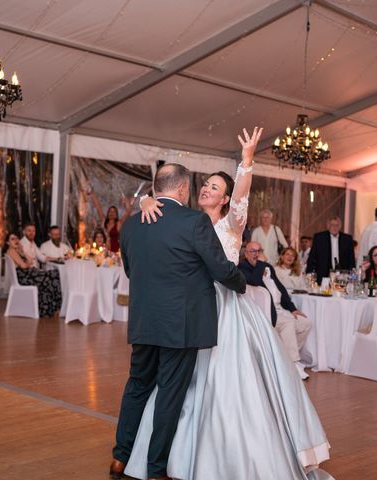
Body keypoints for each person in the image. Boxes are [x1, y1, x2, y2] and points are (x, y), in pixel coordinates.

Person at [128, 127, 331, 480]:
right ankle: (168, 455)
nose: (206, 188)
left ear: (225, 200)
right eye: (205, 184)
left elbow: (242, 197)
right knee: (178, 385)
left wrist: (246, 162)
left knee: (221, 383)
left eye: (215, 188)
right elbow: (162, 205)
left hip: (223, 310)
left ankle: (218, 458)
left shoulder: (232, 224)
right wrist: (145, 199)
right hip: (186, 312)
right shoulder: (186, 219)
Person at [110, 163, 246, 480]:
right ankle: (156, 470)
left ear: (158, 187)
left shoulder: (130, 225)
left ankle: (120, 457)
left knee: (137, 387)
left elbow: (131, 271)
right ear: (183, 189)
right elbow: (220, 269)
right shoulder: (195, 221)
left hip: (144, 321)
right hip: (180, 324)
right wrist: (242, 284)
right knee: (170, 395)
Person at [240, 241, 312, 380]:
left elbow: (280, 288)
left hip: (280, 309)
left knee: (305, 323)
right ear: (246, 253)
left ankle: (286, 360)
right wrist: (260, 263)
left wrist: (293, 309)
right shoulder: (242, 267)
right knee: (288, 324)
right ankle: (294, 363)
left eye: (259, 251)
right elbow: (254, 281)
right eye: (253, 251)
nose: (257, 254)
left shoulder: (268, 267)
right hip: (265, 312)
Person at [4, 232, 61, 317]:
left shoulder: (16, 251)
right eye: (12, 239)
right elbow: (24, 266)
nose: (16, 240)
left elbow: (30, 261)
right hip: (25, 277)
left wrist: (22, 251)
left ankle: (50, 308)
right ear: (8, 243)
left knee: (53, 275)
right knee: (54, 275)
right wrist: (27, 265)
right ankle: (51, 308)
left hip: (28, 274)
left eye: (17, 238)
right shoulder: (11, 251)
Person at [306, 216, 355, 284]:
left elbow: (351, 258)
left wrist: (352, 274)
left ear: (340, 226)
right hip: (323, 274)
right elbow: (312, 257)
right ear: (328, 226)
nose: (334, 227)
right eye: (332, 225)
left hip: (342, 275)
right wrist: (310, 274)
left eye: (337, 225)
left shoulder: (347, 239)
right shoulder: (319, 237)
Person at [88, 188, 134, 253]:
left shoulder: (118, 224)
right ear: (107, 213)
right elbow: (98, 207)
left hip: (115, 251)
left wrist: (126, 202)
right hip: (103, 250)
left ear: (116, 214)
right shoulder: (104, 221)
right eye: (110, 211)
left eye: (114, 212)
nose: (112, 213)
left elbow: (128, 212)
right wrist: (92, 194)